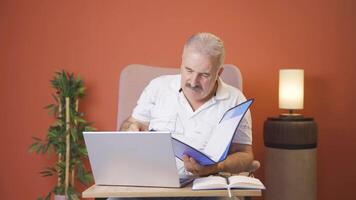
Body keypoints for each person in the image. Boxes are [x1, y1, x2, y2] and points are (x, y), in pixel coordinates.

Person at [120, 32, 253, 177]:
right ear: (181, 62)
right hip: (152, 181)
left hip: (206, 187)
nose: (193, 81)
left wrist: (215, 167)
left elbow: (245, 154)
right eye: (188, 70)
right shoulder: (157, 87)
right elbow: (131, 124)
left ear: (219, 72)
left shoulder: (235, 99)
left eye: (204, 75)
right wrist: (130, 129)